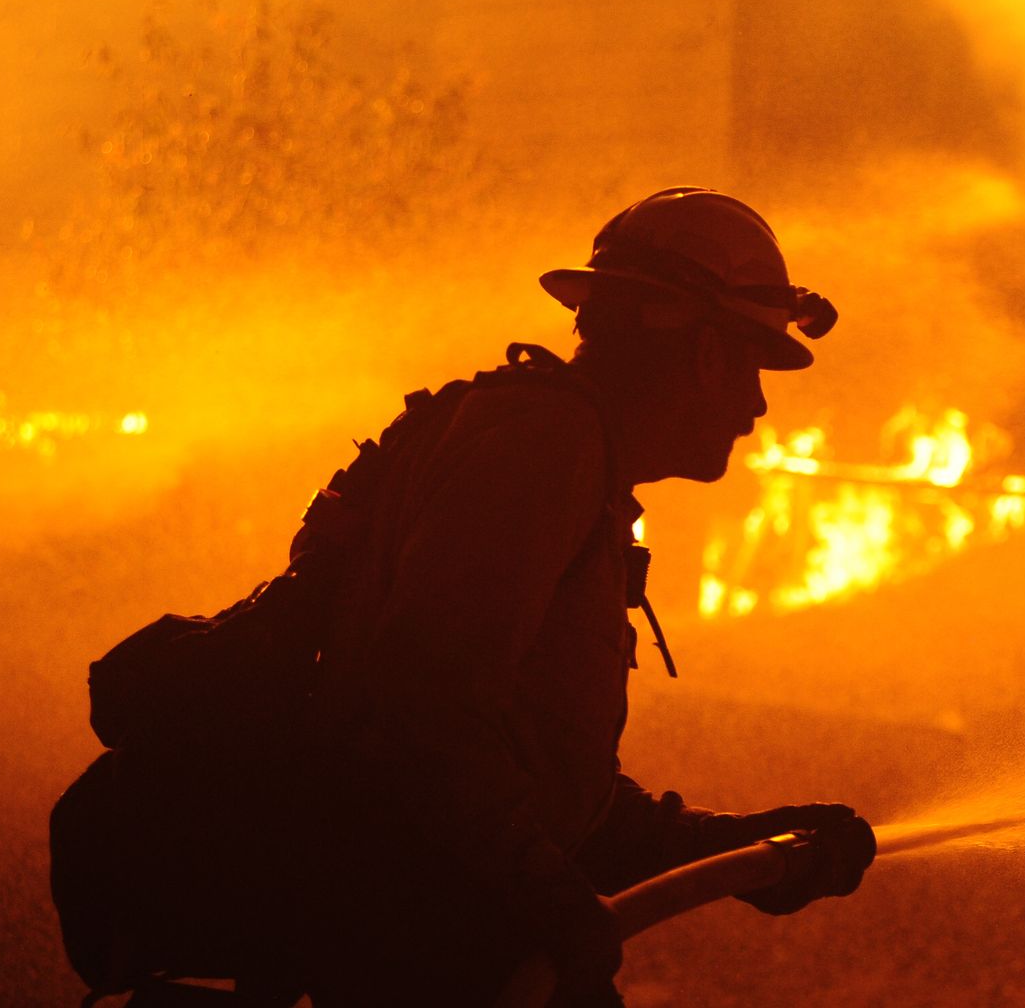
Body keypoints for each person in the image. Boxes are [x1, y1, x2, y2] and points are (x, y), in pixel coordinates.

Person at [296, 187, 871, 1007]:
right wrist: (553, 903)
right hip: (430, 955)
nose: (755, 406)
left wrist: (733, 847)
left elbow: (544, 790)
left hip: (455, 939)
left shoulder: (560, 454)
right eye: (750, 366)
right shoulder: (543, 451)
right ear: (707, 356)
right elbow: (424, 714)